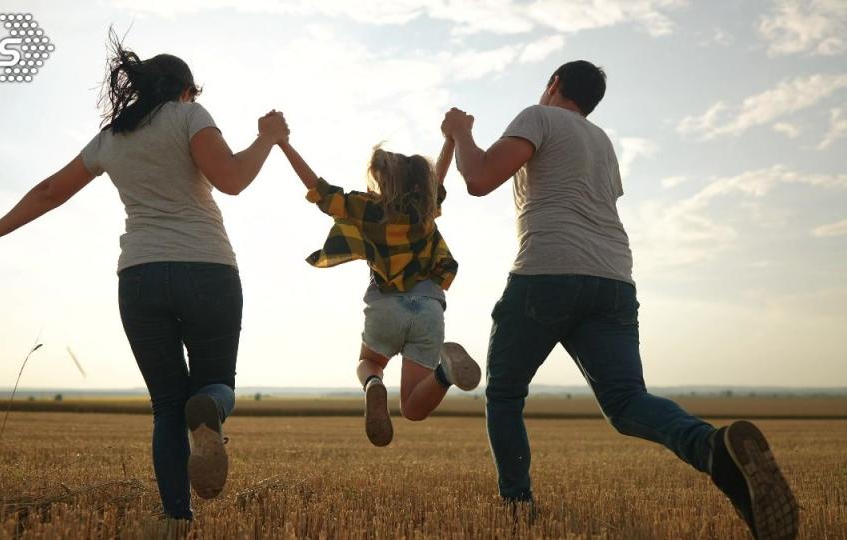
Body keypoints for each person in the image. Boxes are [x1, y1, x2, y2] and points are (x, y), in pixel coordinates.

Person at [441, 60, 798, 539]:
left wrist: (460, 132)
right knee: (628, 402)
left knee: (504, 395)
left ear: (554, 85)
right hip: (613, 279)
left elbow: (480, 179)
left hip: (547, 273)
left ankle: (517, 511)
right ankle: (715, 449)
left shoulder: (539, 116)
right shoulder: (602, 142)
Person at [0, 31, 289, 520]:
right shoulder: (190, 116)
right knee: (215, 384)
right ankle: (211, 411)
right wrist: (269, 138)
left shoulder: (112, 137)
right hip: (207, 269)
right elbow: (233, 179)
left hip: (139, 278)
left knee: (166, 407)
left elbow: (50, 191)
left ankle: (177, 520)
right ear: (184, 90)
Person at [276, 133, 482, 447]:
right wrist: (451, 140)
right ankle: (445, 373)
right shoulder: (426, 208)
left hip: (385, 306)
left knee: (368, 363)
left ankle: (373, 384)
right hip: (428, 307)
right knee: (413, 408)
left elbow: (319, 189)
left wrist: (284, 143)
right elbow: (438, 179)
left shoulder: (365, 207)